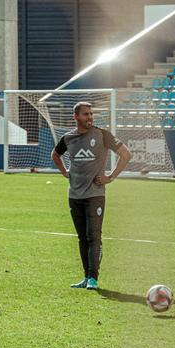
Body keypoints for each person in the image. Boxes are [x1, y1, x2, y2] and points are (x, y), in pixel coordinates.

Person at [51, 101, 131, 291]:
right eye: (86, 114)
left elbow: (126, 154)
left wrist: (110, 177)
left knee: (94, 236)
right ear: (76, 117)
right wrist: (65, 172)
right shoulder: (68, 138)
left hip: (95, 195)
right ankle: (86, 277)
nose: (90, 117)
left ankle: (93, 278)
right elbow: (55, 155)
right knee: (82, 238)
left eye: (91, 114)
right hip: (74, 196)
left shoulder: (102, 135)